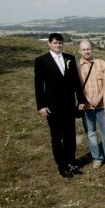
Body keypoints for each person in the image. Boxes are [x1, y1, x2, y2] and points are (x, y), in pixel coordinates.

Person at [34, 33, 87, 178]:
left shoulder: (69, 58)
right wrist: (41, 106)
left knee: (70, 135)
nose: (58, 45)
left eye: (60, 43)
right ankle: (62, 165)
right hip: (52, 105)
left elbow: (76, 82)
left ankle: (72, 162)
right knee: (57, 136)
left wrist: (81, 100)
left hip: (69, 104)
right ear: (49, 44)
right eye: (55, 43)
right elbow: (38, 85)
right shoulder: (41, 60)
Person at [77, 39, 105, 169]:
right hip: (87, 106)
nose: (86, 51)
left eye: (88, 49)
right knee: (91, 133)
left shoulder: (101, 63)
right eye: (84, 49)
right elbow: (77, 87)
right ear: (79, 51)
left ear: (92, 49)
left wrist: (99, 97)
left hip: (102, 105)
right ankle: (97, 158)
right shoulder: (77, 67)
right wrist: (88, 99)